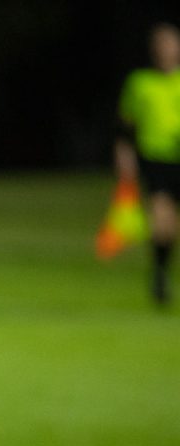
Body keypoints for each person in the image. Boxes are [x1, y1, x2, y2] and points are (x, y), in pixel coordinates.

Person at [115, 22, 180, 306]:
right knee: (162, 220)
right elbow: (125, 126)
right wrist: (124, 157)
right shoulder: (140, 82)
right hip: (156, 159)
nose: (170, 49)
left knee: (173, 226)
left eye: (173, 43)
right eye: (164, 44)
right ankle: (159, 275)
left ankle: (162, 269)